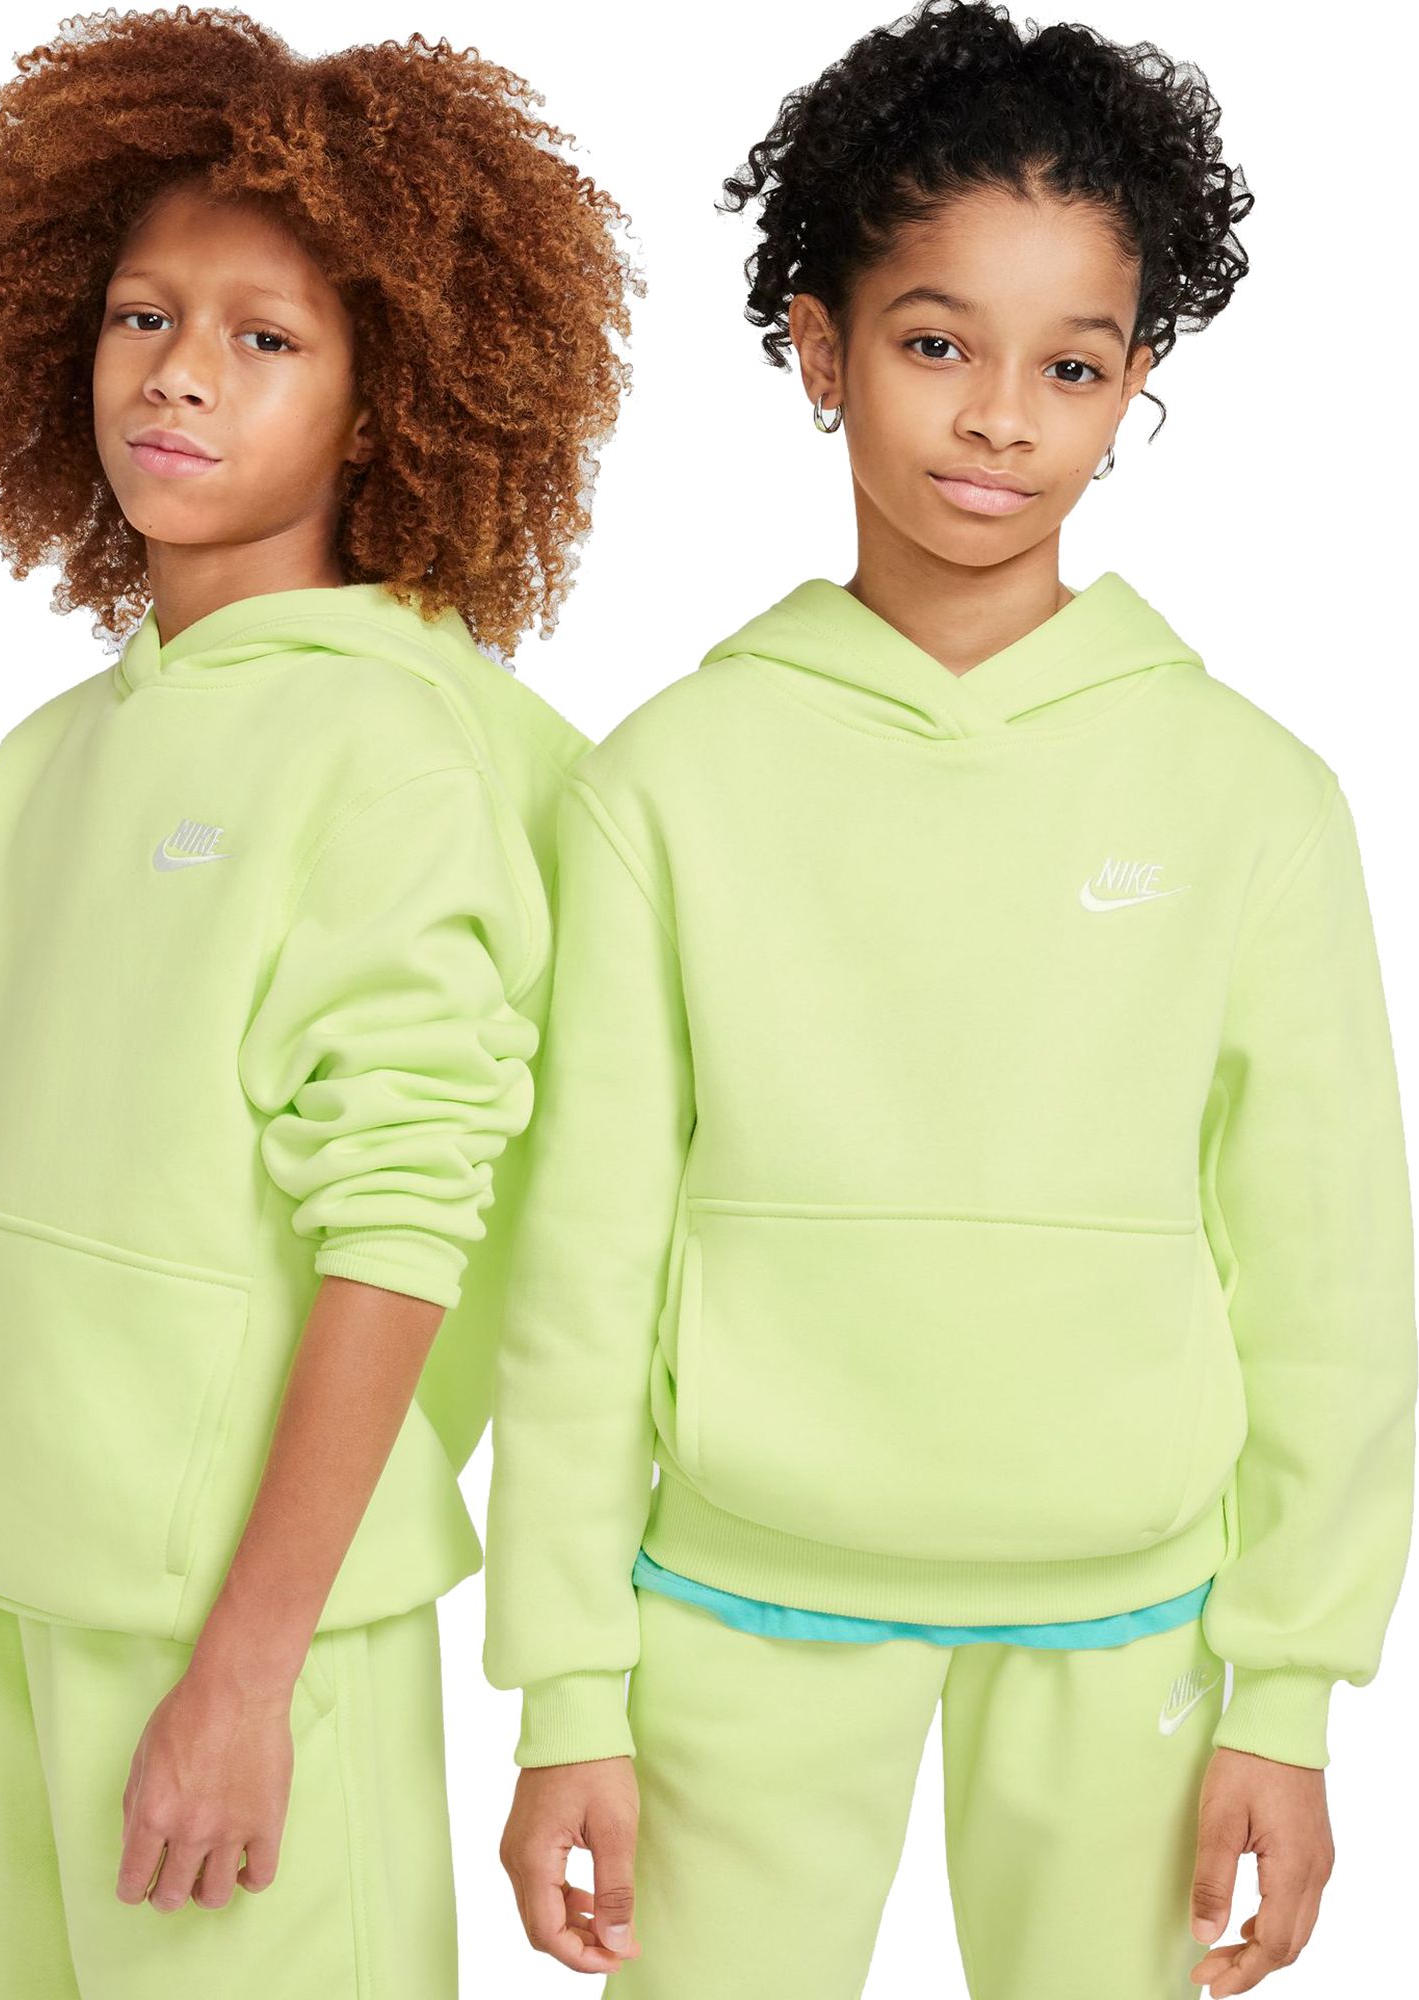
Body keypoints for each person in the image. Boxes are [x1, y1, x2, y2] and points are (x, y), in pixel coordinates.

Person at [481, 4, 1415, 1996]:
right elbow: (578, 1264)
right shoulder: (666, 782)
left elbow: (1328, 1276)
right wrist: (565, 1687)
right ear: (816, 349)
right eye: (932, 344)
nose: (999, 418)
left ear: (1133, 384)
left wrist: (1287, 1695)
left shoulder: (1250, 795)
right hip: (727, 1596)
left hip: (1134, 1616)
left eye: (1068, 365)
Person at [0, 12, 638, 1997]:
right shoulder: (49, 757)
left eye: (264, 337)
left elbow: (401, 1227)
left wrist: (244, 1673)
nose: (178, 371)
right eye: (142, 315)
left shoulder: (392, 751)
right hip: (22, 1600)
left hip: (245, 1646)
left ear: (383, 406)